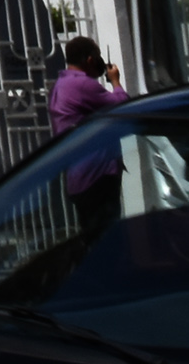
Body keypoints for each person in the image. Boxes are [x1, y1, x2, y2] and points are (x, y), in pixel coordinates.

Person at [48, 37, 128, 235]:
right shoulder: (82, 85)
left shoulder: (62, 84)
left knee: (94, 238)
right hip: (97, 176)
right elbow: (122, 106)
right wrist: (116, 81)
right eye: (98, 56)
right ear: (90, 60)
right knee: (106, 239)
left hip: (79, 176)